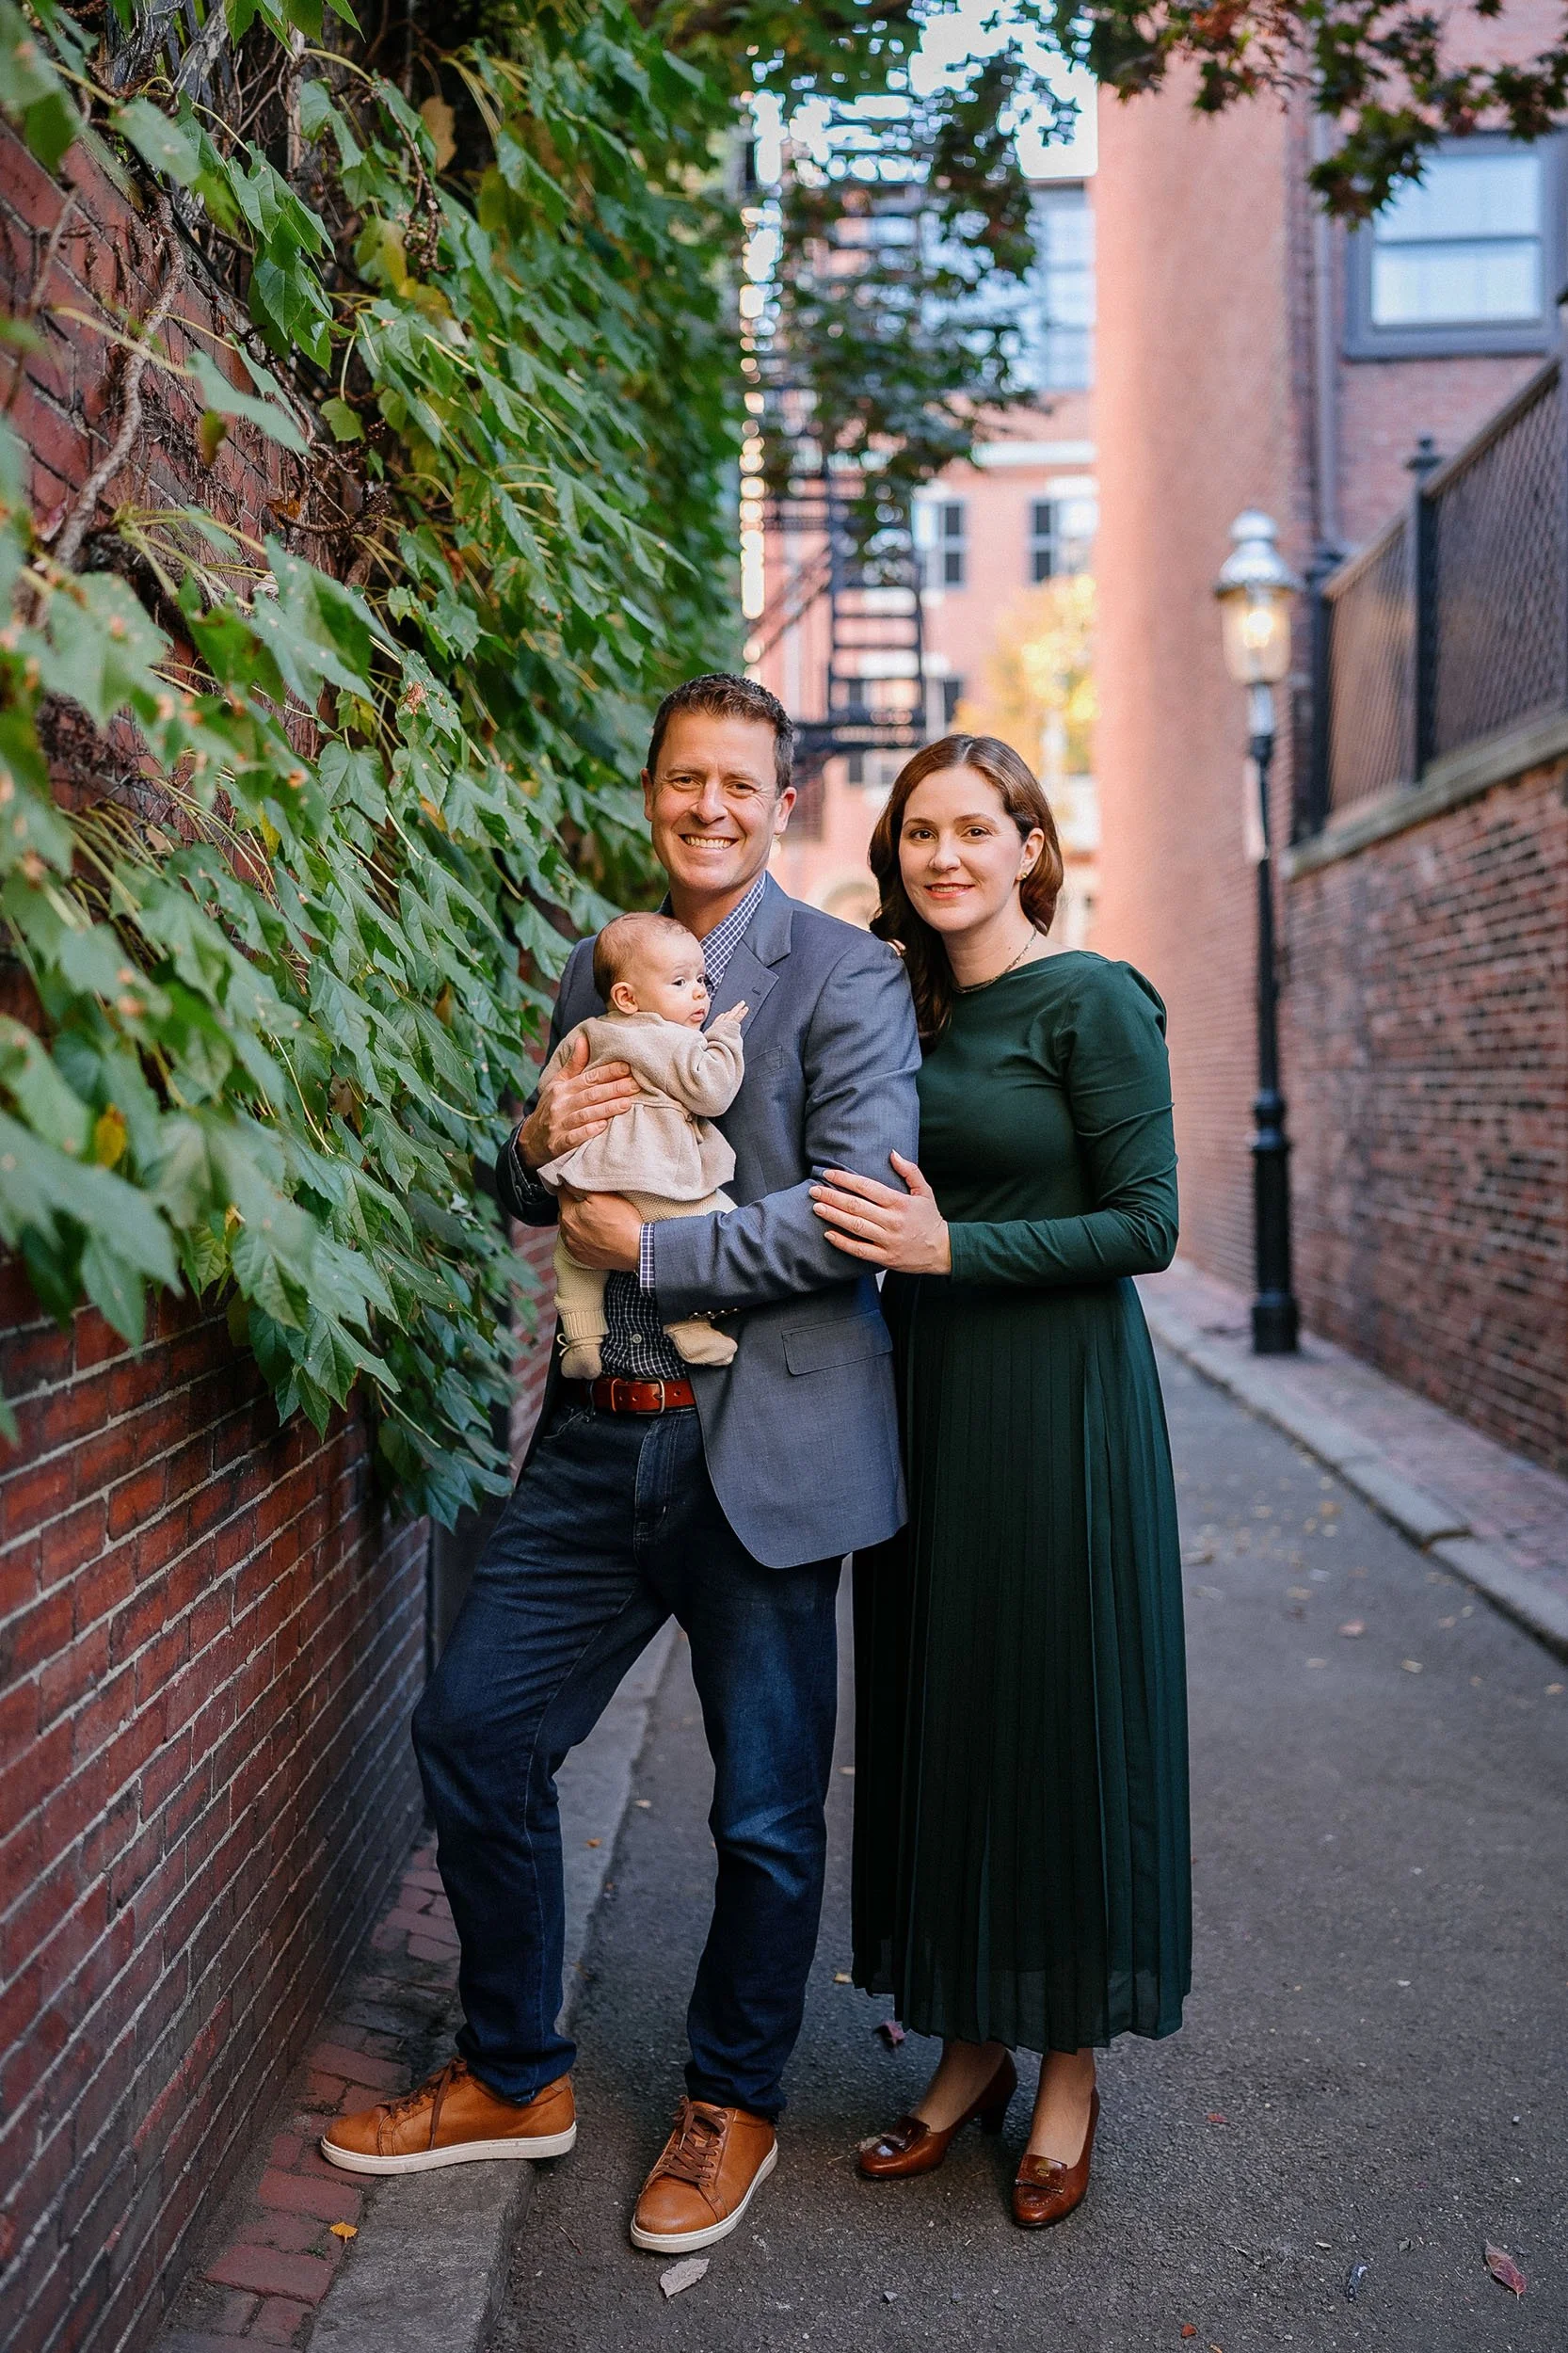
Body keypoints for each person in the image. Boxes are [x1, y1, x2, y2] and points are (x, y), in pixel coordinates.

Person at [320, 674, 921, 2261]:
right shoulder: (604, 961)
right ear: (651, 794)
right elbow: (537, 1179)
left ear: (780, 800)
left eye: (739, 782)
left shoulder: (845, 979)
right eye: (683, 781)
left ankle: (734, 2096)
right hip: (597, 1447)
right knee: (472, 1726)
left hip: (764, 1457)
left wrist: (659, 1246)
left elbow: (856, 1208)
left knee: (766, 1820)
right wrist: (534, 1144)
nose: (709, 807)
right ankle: (517, 2073)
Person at [809, 733, 1191, 2231]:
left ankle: (1071, 2074)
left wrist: (953, 1249)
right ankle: (969, 2054)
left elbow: (1148, 1224)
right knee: (945, 1710)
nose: (945, 854)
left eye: (977, 828)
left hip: (1062, 1410)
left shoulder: (1092, 1000)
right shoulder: (895, 1005)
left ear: (1032, 844)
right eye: (920, 832)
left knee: (1057, 1714)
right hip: (925, 1405)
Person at [536, 909, 747, 1378]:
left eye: (701, 979)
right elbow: (711, 1093)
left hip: (590, 1168)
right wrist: (724, 1040)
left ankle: (583, 1339)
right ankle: (688, 1324)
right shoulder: (673, 1039)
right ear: (627, 997)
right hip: (655, 1172)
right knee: (706, 1224)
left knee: (574, 1254)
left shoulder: (588, 1031)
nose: (698, 992)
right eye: (679, 983)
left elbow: (553, 1093)